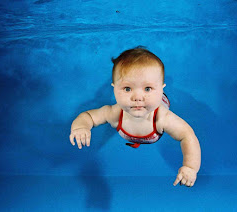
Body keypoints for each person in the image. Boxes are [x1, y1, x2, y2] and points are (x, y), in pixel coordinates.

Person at [69, 47, 201, 187]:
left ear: (162, 88)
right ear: (114, 88)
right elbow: (88, 116)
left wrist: (190, 167)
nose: (137, 98)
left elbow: (187, 135)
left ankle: (163, 89)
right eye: (127, 89)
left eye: (147, 88)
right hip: (126, 117)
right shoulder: (114, 113)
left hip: (159, 102)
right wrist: (81, 127)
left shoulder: (162, 117)